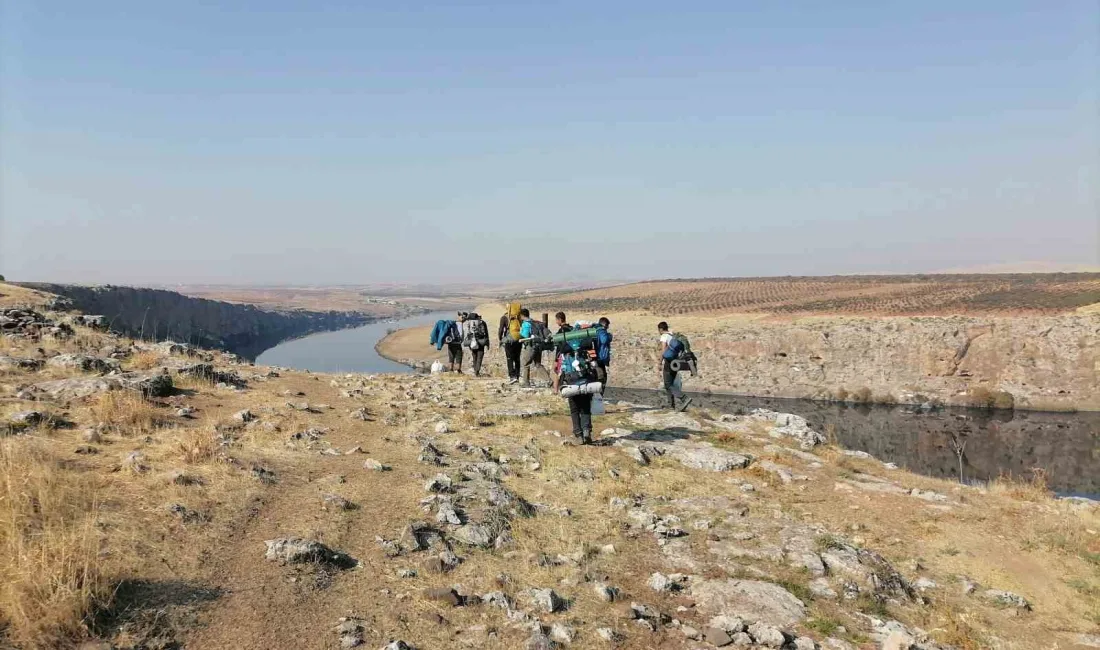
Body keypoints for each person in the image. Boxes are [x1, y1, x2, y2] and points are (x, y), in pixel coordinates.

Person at [658, 321, 692, 411]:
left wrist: (660, 362)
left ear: (661, 329)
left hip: (669, 362)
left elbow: (663, 350)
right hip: (676, 362)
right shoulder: (672, 335)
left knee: (668, 384)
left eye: (659, 330)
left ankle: (684, 398)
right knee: (670, 383)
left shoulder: (664, 336)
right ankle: (671, 405)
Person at [518, 309, 551, 386]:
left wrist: (520, 331)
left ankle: (526, 382)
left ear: (522, 315)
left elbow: (525, 335)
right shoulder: (535, 322)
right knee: (538, 364)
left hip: (530, 345)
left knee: (526, 364)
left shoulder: (526, 324)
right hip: (538, 346)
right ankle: (549, 380)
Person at [498, 310, 522, 384]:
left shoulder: (504, 317)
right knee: (517, 358)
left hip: (509, 340)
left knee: (509, 358)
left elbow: (501, 329)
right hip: (519, 339)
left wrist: (501, 339)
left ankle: (512, 376)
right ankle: (517, 376)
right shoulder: (519, 317)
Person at [463, 312, 489, 377]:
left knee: (474, 355)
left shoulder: (468, 323)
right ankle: (477, 371)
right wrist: (487, 343)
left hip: (471, 341)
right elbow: (486, 333)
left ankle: (475, 370)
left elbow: (467, 333)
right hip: (481, 341)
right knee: (480, 355)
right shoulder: (482, 322)